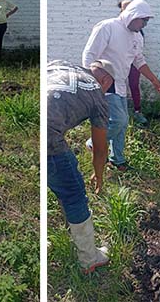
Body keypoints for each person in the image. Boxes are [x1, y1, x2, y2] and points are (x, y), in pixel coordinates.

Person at [47, 59, 115, 274]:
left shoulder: (62, 64)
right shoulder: (98, 94)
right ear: (106, 80)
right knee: (74, 194)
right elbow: (100, 149)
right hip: (48, 140)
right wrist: (99, 175)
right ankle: (89, 259)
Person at [82, 0, 160, 171]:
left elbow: (139, 60)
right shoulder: (108, 27)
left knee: (123, 123)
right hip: (105, 81)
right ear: (133, 15)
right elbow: (89, 56)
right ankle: (93, 143)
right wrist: (93, 82)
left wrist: (154, 80)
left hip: (120, 83)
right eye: (143, 20)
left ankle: (117, 159)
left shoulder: (137, 37)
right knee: (119, 120)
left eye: (147, 21)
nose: (145, 25)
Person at [118, 0, 148, 125]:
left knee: (134, 85)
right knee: (115, 86)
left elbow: (138, 53)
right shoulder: (113, 27)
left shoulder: (137, 30)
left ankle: (137, 111)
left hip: (133, 62)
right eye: (123, 8)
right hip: (118, 63)